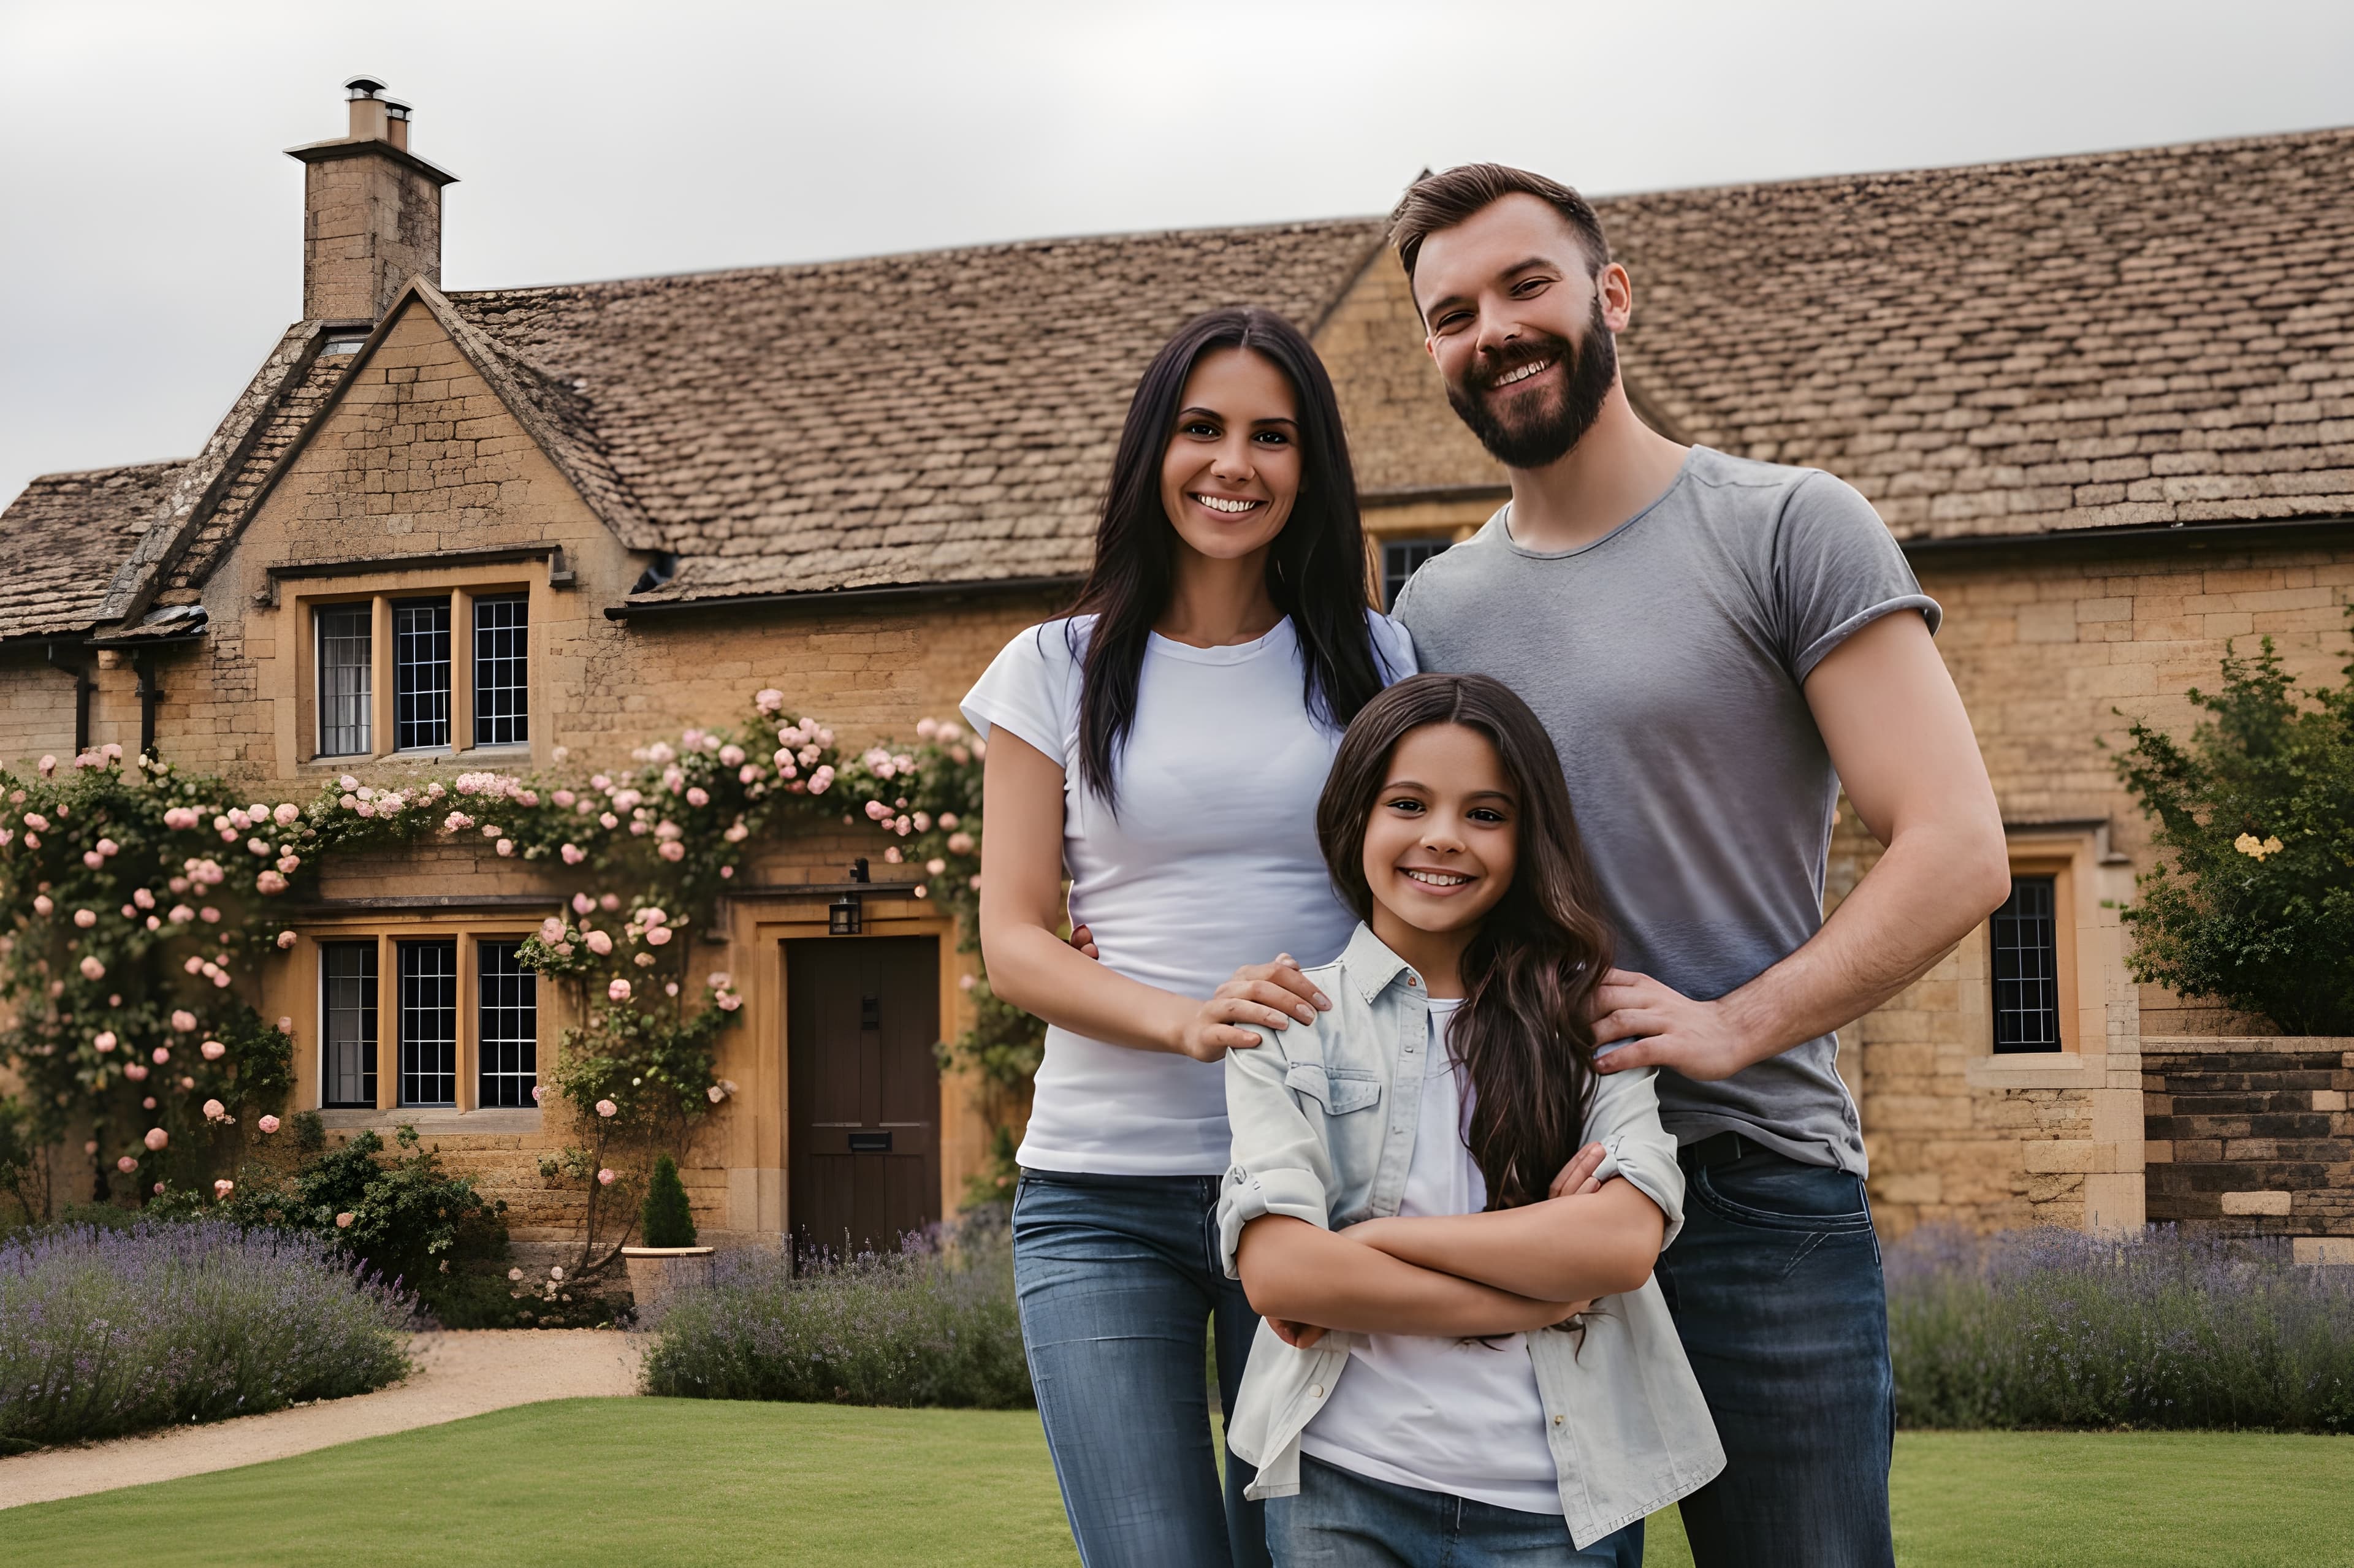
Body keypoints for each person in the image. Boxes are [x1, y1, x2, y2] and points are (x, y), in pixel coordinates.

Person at [1200, 166, 2010, 1566]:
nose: (1494, 329)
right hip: (1523, 1181)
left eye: (1526, 286)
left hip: (1753, 1177)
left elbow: (1960, 847)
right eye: (1452, 312)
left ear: (1610, 294)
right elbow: (1395, 854)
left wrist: (1727, 1024)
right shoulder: (1439, 606)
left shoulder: (1785, 526)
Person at [963, 306, 1416, 1568]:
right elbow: (1013, 940)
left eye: (1273, 437)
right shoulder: (1051, 668)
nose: (1235, 464)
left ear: (1310, 467)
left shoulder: (1379, 659)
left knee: (1308, 1556)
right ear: (1153, 449)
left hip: (1321, 1189)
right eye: (1202, 428)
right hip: (1102, 1196)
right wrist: (1184, 1016)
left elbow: (1432, 897)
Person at [1221, 672, 1724, 1567]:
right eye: (1408, 802)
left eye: (1486, 813)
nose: (1443, 837)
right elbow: (1280, 1271)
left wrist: (1365, 1247)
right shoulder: (1287, 1022)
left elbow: (1618, 1246)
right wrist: (1545, 1285)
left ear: (1527, 837)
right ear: (1355, 818)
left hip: (1551, 1504)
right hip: (1344, 1484)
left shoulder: (1588, 1023)